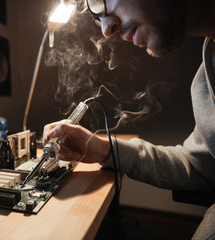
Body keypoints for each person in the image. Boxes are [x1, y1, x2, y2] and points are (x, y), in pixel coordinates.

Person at [42, 0, 215, 239]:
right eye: (96, 17)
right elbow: (199, 168)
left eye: (98, 1)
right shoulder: (206, 77)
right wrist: (103, 148)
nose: (106, 29)